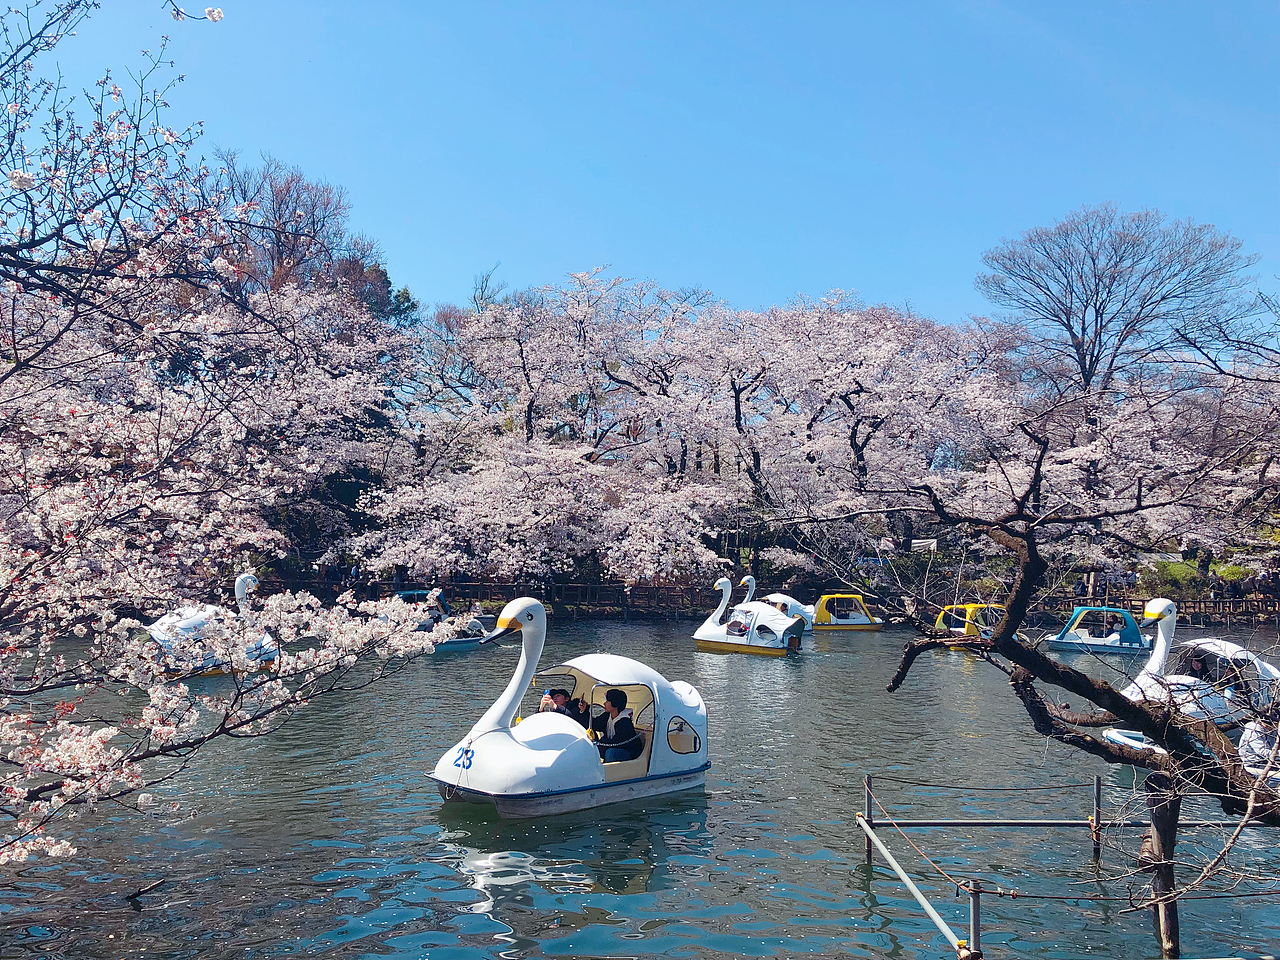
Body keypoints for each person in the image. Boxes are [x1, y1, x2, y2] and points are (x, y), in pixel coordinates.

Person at [591, 688, 643, 762]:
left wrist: (601, 742)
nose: (604, 704)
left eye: (607, 701)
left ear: (615, 704)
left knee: (611, 753)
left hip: (628, 752)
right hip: (613, 747)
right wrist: (583, 711)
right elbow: (594, 724)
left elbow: (618, 742)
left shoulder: (625, 722)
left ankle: (609, 772)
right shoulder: (607, 716)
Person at [1238, 703, 1280, 774]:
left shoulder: (1272, 730)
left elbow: (1273, 746)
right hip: (1253, 763)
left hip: (1267, 759)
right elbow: (1261, 752)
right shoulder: (1253, 730)